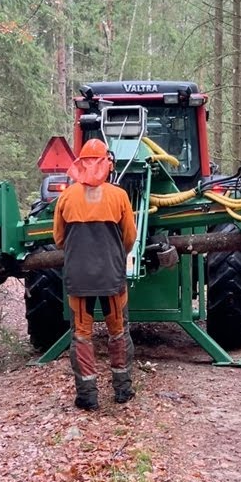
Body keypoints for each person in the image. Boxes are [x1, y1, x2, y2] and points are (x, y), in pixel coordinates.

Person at [53, 138, 138, 410]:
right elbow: (130, 237)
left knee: (81, 336)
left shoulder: (66, 197)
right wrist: (114, 254)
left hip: (78, 279)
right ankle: (122, 391)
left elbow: (58, 239)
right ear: (107, 164)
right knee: (117, 333)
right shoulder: (119, 196)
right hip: (112, 278)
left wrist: (79, 253)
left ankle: (87, 396)